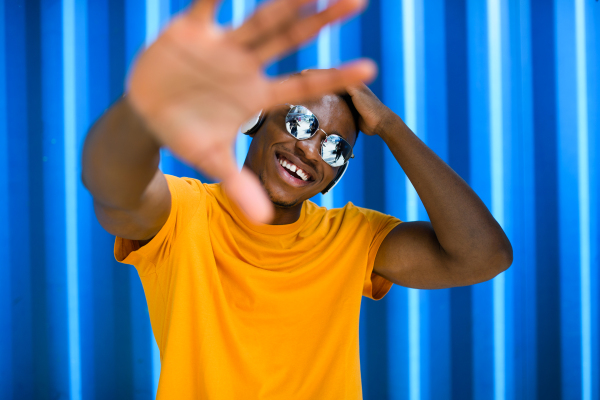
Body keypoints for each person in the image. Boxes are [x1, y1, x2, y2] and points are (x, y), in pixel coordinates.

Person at [81, 0, 513, 398]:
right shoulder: (185, 213)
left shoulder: (353, 239)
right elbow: (114, 187)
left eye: (334, 149)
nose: (310, 150)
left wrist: (390, 127)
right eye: (301, 121)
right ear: (256, 118)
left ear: (335, 175)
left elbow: (484, 256)